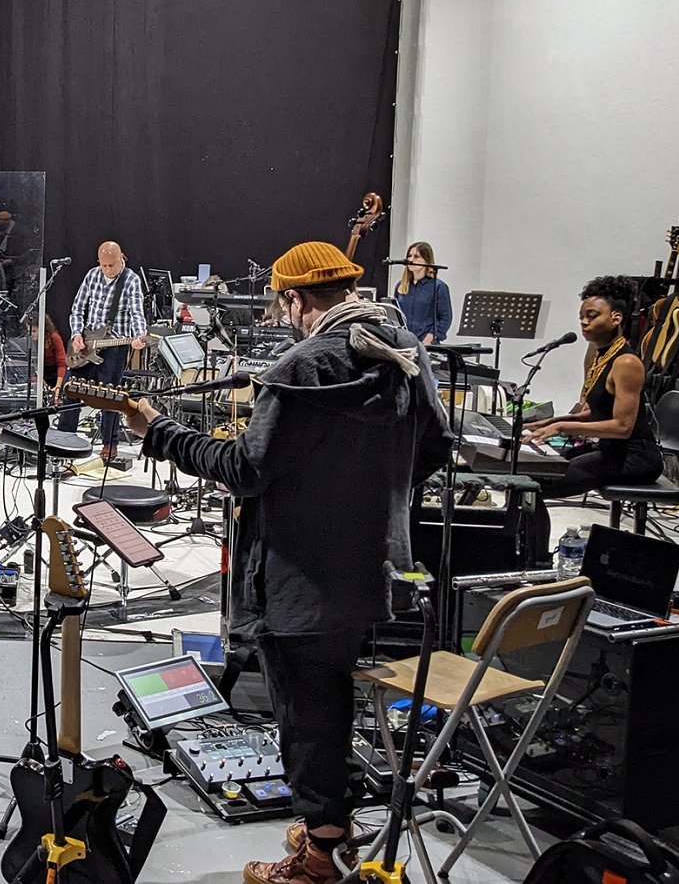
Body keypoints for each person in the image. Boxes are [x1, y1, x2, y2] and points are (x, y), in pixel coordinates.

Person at [125, 241, 451, 884]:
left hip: (297, 577)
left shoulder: (303, 365)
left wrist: (158, 431)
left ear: (294, 299)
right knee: (327, 698)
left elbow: (245, 469)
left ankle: (320, 856)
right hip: (365, 567)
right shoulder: (403, 353)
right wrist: (355, 495)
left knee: (306, 715)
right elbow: (436, 444)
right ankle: (331, 818)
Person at [523, 276, 661, 562]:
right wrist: (548, 423)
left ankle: (537, 562)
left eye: (592, 315)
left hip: (635, 457)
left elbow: (622, 428)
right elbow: (594, 411)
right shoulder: (600, 355)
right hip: (611, 448)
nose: (584, 323)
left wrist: (563, 426)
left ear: (616, 318)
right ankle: (526, 556)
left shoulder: (626, 363)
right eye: (581, 317)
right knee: (531, 474)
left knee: (533, 487)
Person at [59, 241, 148, 461]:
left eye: (112, 265)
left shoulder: (131, 280)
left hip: (115, 346)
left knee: (111, 397)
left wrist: (139, 336)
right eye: (104, 265)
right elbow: (78, 308)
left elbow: (137, 312)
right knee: (71, 391)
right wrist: (76, 334)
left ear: (122, 258)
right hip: (86, 344)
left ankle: (110, 443)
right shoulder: (92, 275)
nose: (108, 270)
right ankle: (63, 440)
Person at [393, 241, 451, 344]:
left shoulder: (438, 287)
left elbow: (445, 318)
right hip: (404, 343)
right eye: (409, 256)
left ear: (426, 260)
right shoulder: (401, 286)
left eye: (416, 256)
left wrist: (431, 336)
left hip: (427, 344)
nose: (411, 260)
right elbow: (396, 316)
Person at [31, 312, 66, 401]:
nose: (31, 334)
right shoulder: (31, 341)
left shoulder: (54, 338)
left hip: (56, 373)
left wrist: (58, 387)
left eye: (34, 331)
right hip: (42, 372)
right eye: (29, 331)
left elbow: (62, 363)